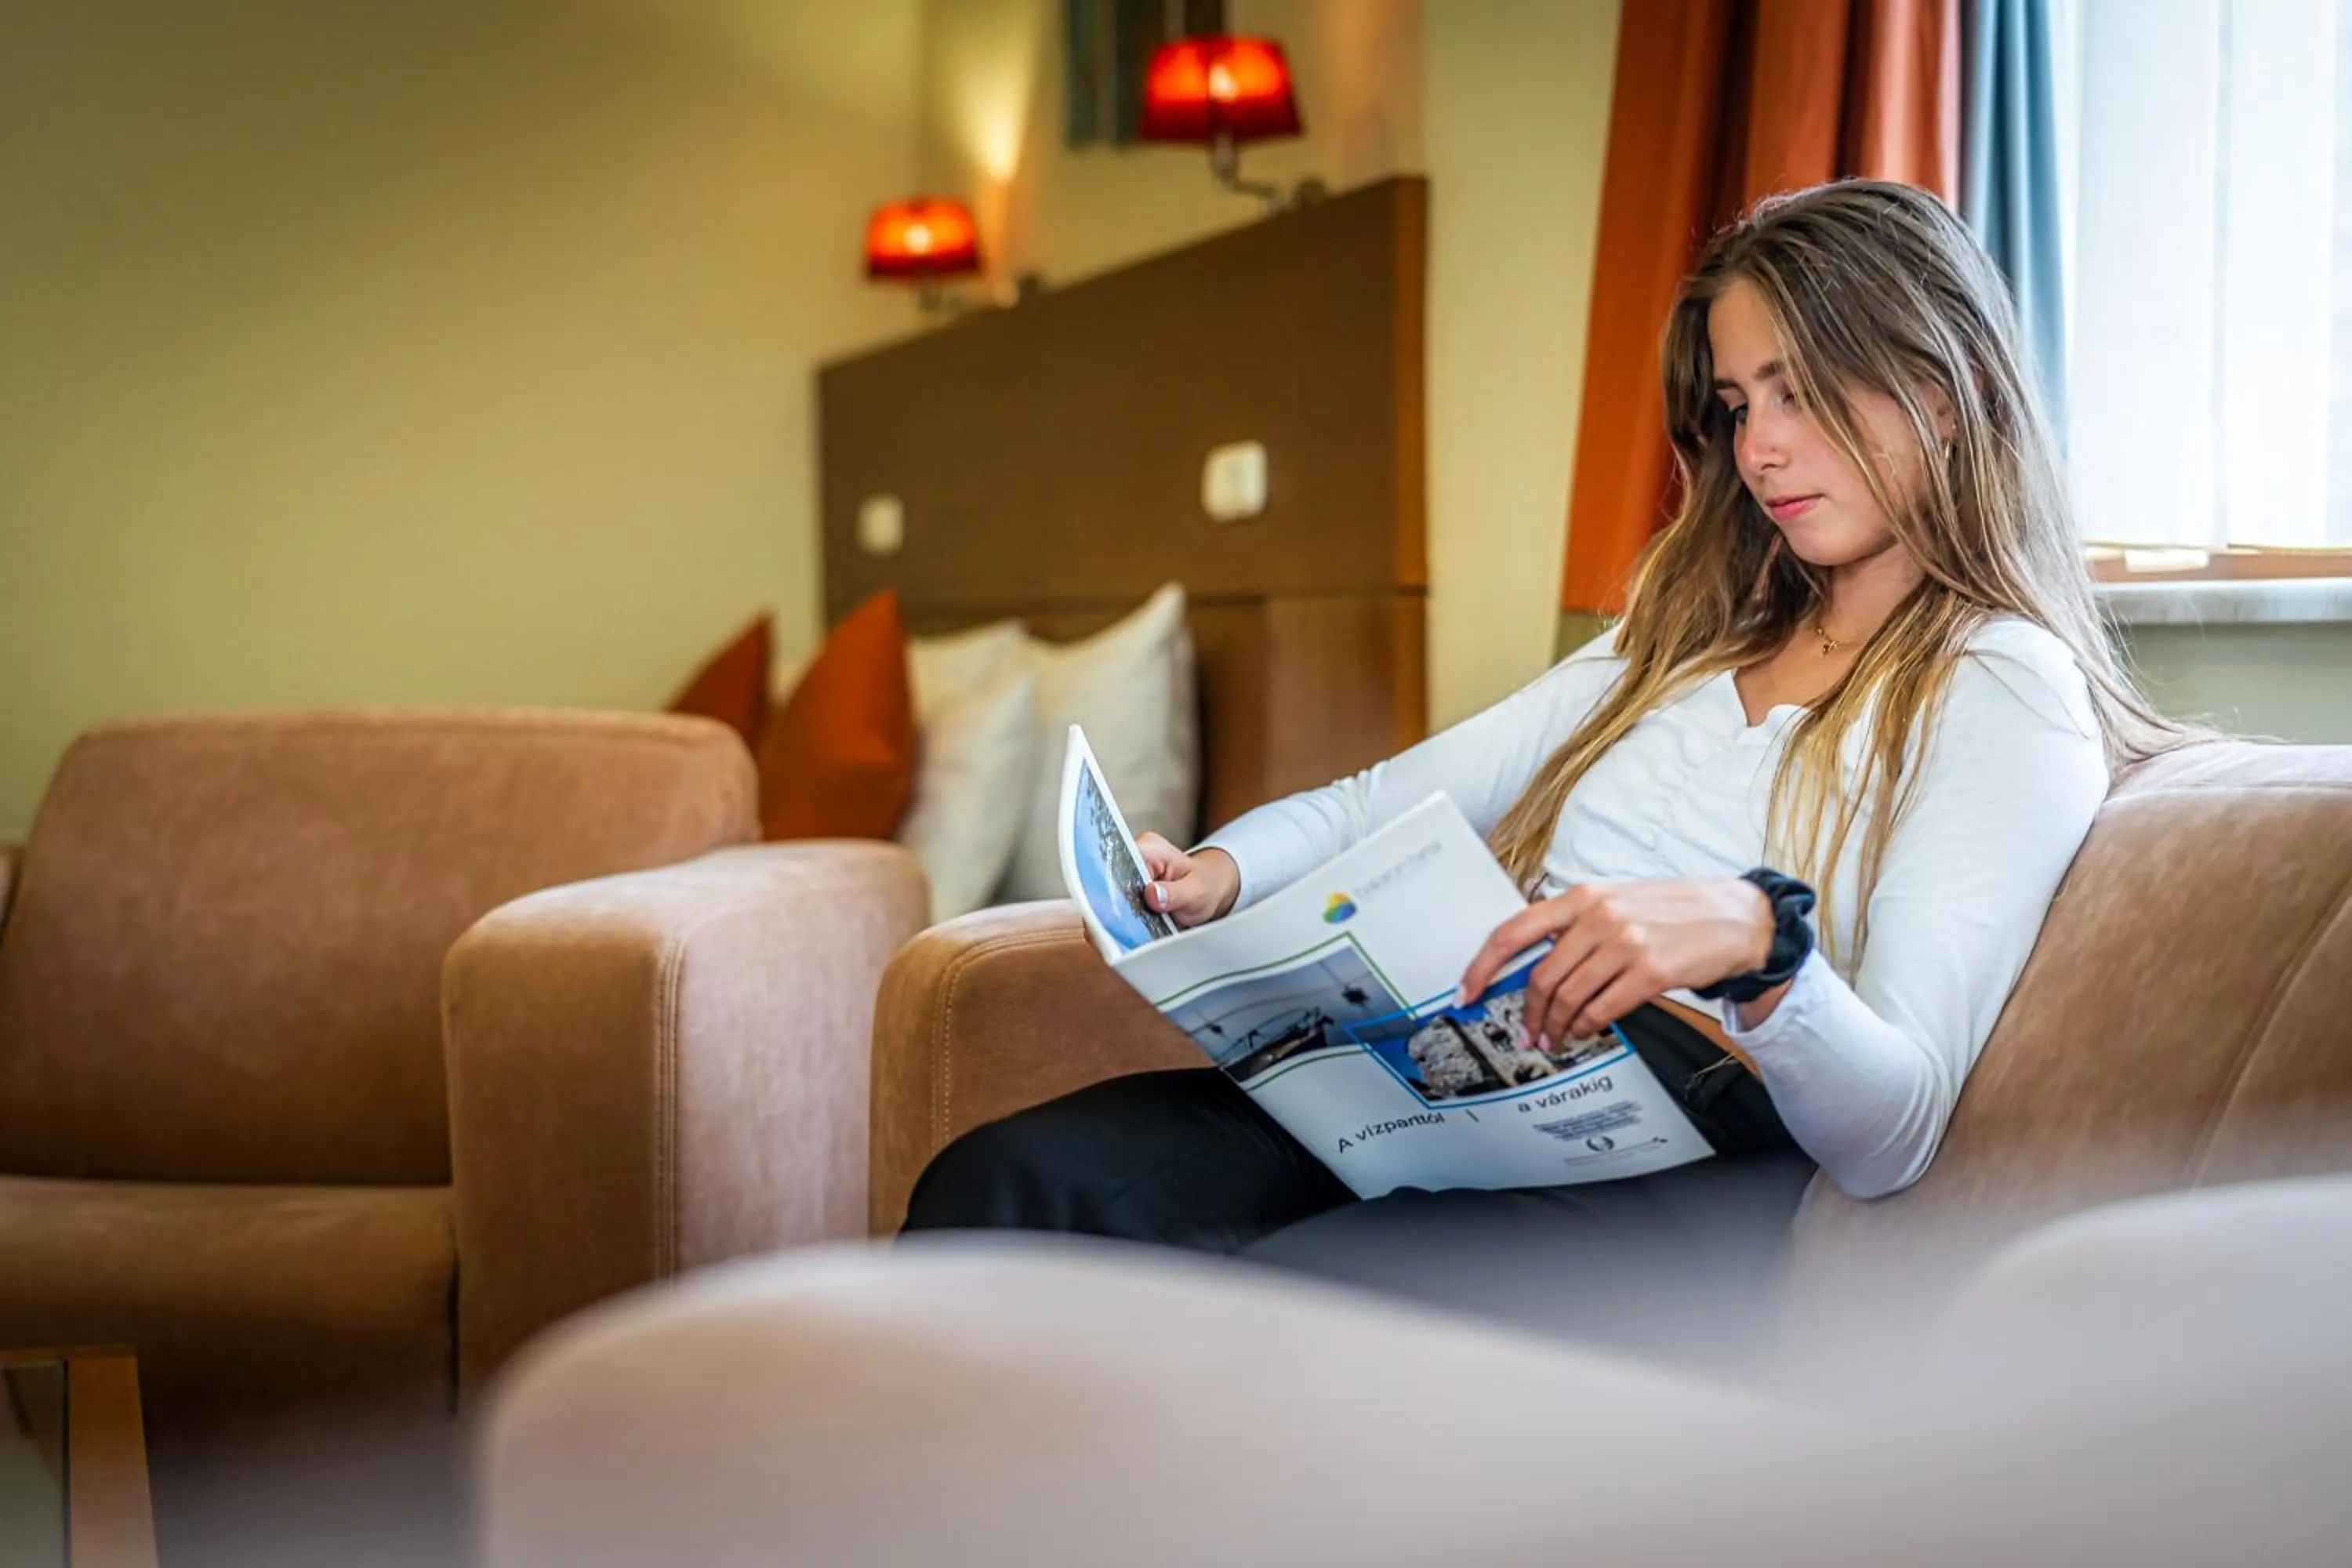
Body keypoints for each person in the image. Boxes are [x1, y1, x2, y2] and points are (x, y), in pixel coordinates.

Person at [901, 180, 2189, 1360]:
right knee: (1009, 1184)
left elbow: (1895, 1128)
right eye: (1739, 406)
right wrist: (1222, 872)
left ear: (1944, 388)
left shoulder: (2000, 681)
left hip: (1679, 1149)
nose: (1759, 449)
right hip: (1457, 1067)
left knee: (1291, 1303)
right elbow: (1381, 802)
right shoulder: (1680, 641)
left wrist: (1761, 944)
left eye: (1800, 391)